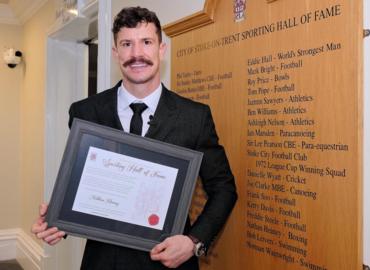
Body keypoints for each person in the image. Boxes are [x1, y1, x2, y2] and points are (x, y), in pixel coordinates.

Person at [31, 6, 237, 270]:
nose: (137, 54)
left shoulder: (194, 117)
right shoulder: (85, 112)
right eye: (127, 44)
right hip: (104, 261)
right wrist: (59, 219)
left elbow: (224, 188)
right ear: (116, 53)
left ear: (161, 49)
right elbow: (84, 185)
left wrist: (193, 241)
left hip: (169, 262)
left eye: (147, 42)